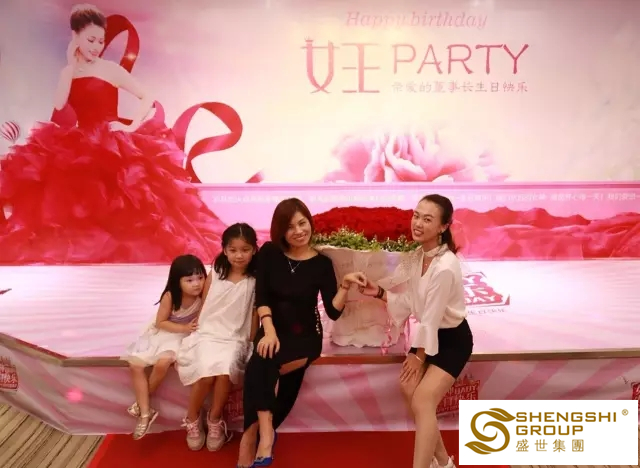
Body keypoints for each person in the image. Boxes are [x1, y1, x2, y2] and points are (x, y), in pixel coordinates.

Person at [0, 4, 225, 264]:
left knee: (135, 200)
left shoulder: (110, 69)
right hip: (80, 142)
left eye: (100, 41)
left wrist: (130, 126)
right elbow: (59, 104)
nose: (96, 46)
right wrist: (70, 68)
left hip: (111, 142)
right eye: (91, 40)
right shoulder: (68, 72)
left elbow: (147, 97)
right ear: (75, 37)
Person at [236, 198, 365, 468]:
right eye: (290, 227)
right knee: (262, 362)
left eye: (302, 223)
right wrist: (268, 330)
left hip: (305, 336)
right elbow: (262, 296)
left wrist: (344, 286)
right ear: (280, 231)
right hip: (272, 329)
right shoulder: (270, 253)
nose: (298, 231)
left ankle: (252, 438)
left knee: (260, 367)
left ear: (310, 222)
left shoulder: (321, 263)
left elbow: (333, 312)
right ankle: (263, 435)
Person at [359, 194, 473, 468]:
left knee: (422, 399)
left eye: (427, 219)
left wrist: (419, 356)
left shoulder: (445, 266)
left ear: (443, 226)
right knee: (408, 386)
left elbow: (431, 318)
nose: (418, 223)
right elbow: (412, 301)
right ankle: (444, 462)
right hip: (428, 335)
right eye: (416, 216)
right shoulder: (417, 256)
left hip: (452, 340)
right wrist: (380, 293)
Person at [177, 223, 259, 452]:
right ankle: (192, 417)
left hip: (234, 336)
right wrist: (193, 326)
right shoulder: (216, 272)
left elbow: (254, 313)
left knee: (225, 371)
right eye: (233, 250)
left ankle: (215, 419)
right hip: (209, 332)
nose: (239, 255)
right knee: (205, 374)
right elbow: (204, 302)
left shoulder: (255, 279)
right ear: (224, 250)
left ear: (254, 249)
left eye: (245, 249)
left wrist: (251, 341)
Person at [121, 254, 206, 440]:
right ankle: (145, 413)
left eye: (200, 278)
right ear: (177, 281)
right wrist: (183, 327)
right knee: (135, 364)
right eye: (189, 280)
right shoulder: (171, 296)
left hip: (184, 337)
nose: (196, 284)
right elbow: (161, 322)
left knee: (163, 362)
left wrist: (188, 330)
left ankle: (141, 405)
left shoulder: (203, 295)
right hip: (168, 331)